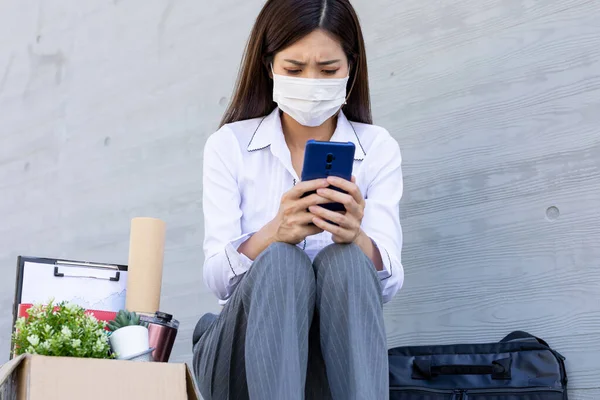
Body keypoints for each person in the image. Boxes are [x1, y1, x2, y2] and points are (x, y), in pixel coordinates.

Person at [192, 1, 404, 399]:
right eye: (293, 69)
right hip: (238, 362)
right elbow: (217, 282)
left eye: (327, 70)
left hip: (327, 363)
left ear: (350, 68)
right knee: (282, 262)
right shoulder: (230, 146)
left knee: (346, 261)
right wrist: (273, 233)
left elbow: (388, 284)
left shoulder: (377, 148)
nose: (310, 82)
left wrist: (357, 236)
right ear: (269, 65)